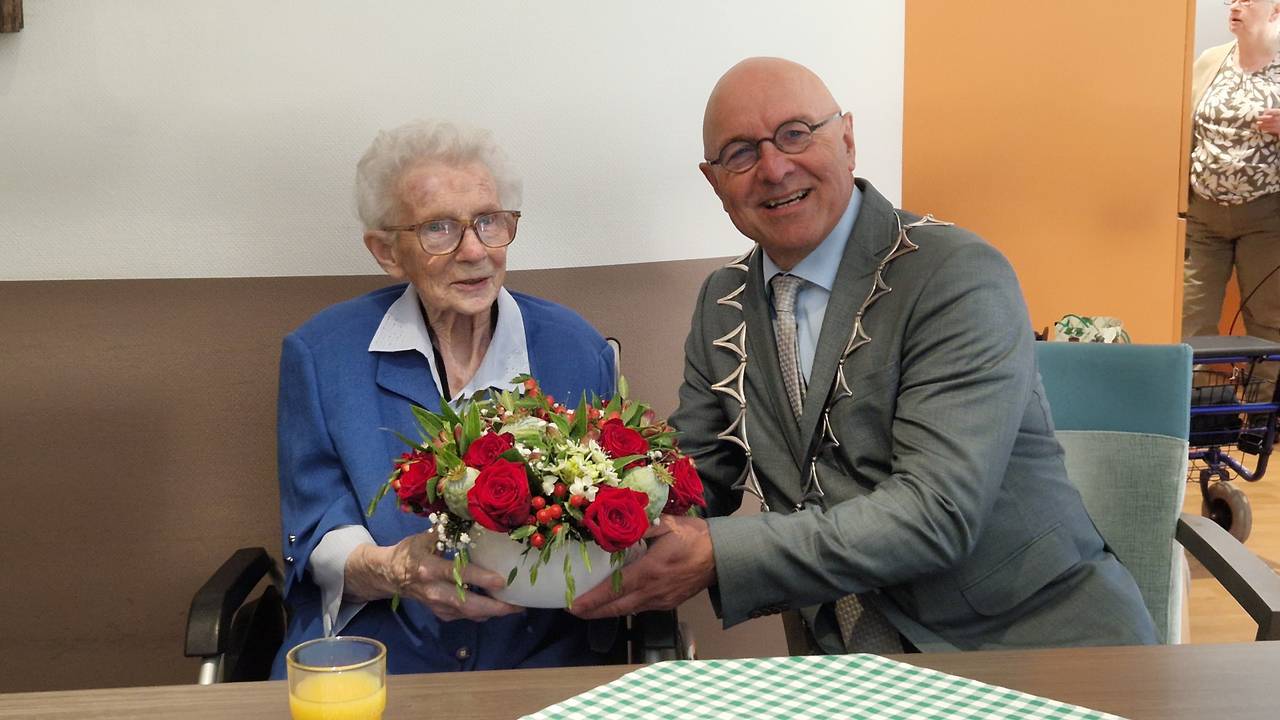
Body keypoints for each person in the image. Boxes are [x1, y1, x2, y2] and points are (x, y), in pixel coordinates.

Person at [571, 57, 1157, 653]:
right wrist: (568, 513)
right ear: (714, 180)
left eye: (796, 133)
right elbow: (698, 471)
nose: (774, 168)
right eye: (741, 152)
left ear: (847, 139)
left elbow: (936, 514)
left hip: (1028, 647)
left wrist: (717, 554)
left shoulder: (956, 276)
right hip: (845, 660)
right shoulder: (723, 300)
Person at [271, 119, 616, 676]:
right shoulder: (322, 354)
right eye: (438, 228)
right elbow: (317, 530)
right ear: (387, 251)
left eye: (488, 221)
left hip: (535, 661)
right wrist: (393, 570)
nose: (474, 251)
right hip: (373, 658)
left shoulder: (575, 349)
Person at [1184, 0, 1280, 351]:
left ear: (1275, 10)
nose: (1236, 6)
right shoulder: (1210, 60)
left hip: (1268, 218)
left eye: (1248, 0)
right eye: (1232, 0)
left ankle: (1264, 403)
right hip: (1202, 214)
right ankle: (1196, 400)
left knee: (1269, 315)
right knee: (1190, 314)